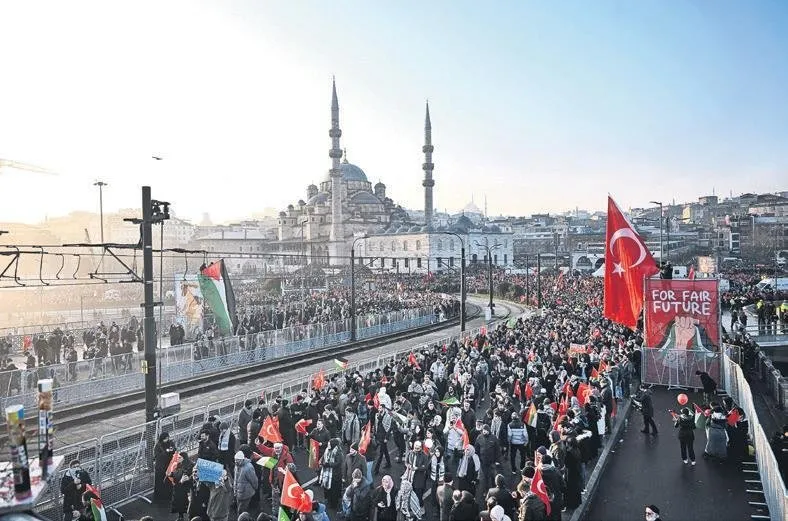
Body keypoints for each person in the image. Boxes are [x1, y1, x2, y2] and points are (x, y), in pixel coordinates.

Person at [234, 450, 259, 515]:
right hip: (239, 492)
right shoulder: (237, 465)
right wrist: (235, 490)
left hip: (246, 494)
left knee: (241, 511)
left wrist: (255, 488)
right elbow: (235, 479)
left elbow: (254, 480)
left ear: (242, 459)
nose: (235, 462)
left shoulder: (248, 467)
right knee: (240, 509)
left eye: (237, 460)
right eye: (235, 460)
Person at [153, 431, 176, 502]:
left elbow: (174, 449)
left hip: (169, 465)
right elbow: (158, 456)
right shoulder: (158, 445)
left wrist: (171, 450)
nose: (167, 440)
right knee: (159, 482)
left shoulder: (170, 443)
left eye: (168, 438)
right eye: (165, 438)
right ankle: (159, 497)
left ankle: (168, 496)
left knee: (168, 481)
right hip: (161, 467)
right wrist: (166, 452)